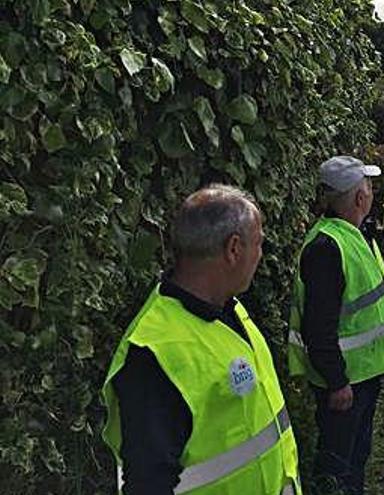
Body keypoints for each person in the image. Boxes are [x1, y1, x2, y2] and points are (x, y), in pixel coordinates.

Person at [102, 185, 301, 495]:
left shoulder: (228, 307)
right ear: (233, 249)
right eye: (259, 243)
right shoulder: (154, 353)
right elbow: (147, 483)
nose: (261, 254)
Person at [288, 156, 384, 495]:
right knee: (338, 467)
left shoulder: (349, 235)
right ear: (359, 198)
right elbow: (318, 327)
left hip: (360, 376)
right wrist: (337, 381)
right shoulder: (328, 247)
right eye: (368, 186)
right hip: (344, 384)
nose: (371, 192)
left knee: (355, 458)